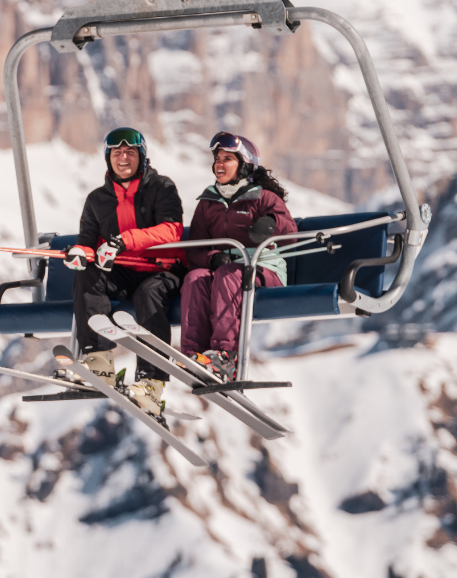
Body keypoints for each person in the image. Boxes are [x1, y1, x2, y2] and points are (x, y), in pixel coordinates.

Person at [62, 127, 183, 415]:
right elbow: (88, 243)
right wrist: (81, 254)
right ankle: (99, 363)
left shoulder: (162, 188)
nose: (123, 158)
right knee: (88, 275)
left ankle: (150, 383)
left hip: (160, 271)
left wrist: (123, 241)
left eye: (130, 152)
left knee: (148, 294)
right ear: (108, 158)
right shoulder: (97, 200)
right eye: (117, 153)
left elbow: (171, 230)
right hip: (122, 273)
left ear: (142, 156)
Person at [181, 132, 297, 382]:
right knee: (196, 278)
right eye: (217, 159)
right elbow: (194, 249)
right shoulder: (208, 203)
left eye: (227, 159)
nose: (219, 164)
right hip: (225, 272)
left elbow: (290, 233)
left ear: (244, 164)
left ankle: (225, 356)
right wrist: (212, 258)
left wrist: (270, 224)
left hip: (264, 270)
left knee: (228, 274)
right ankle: (194, 355)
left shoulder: (263, 197)